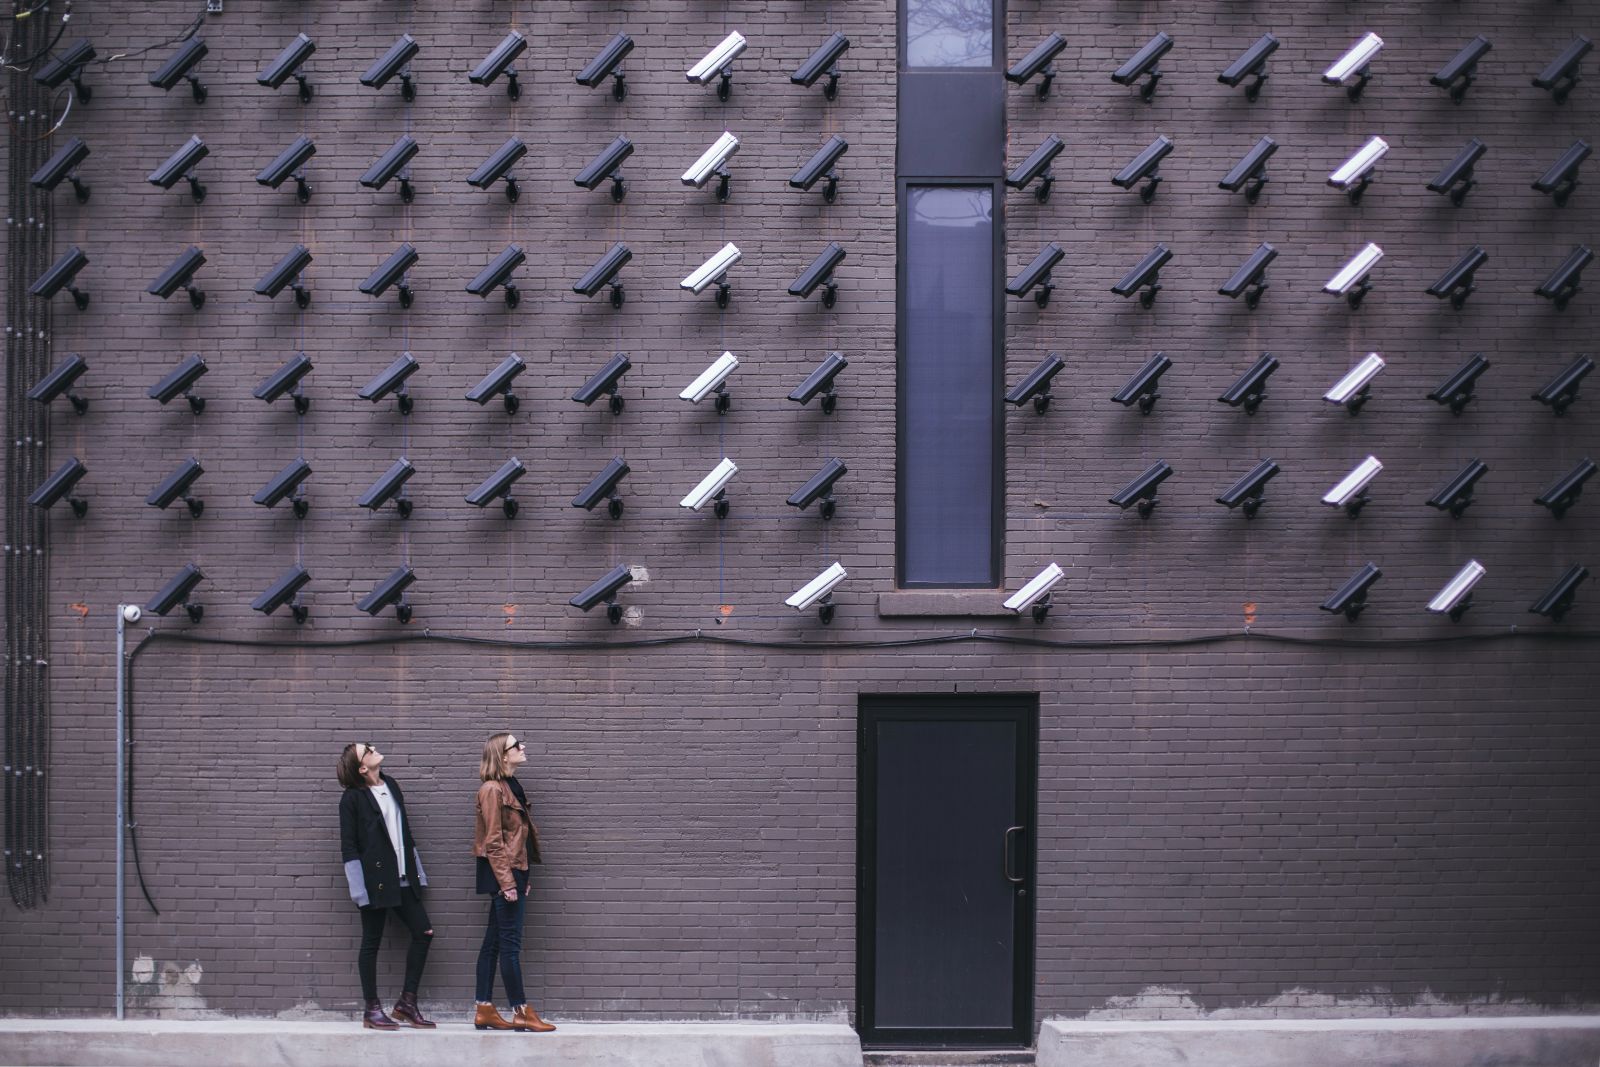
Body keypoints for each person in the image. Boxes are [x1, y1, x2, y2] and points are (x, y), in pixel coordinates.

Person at [336, 741, 436, 1030]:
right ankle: (372, 1009)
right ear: (362, 767)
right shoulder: (352, 799)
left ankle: (407, 1003)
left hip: (404, 878)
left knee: (424, 932)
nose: (373, 748)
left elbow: (405, 832)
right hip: (374, 882)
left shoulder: (391, 785)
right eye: (367, 749)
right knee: (371, 942)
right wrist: (359, 890)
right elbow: (349, 847)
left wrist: (418, 872)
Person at [472, 731, 556, 1033]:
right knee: (510, 945)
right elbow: (493, 841)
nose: (523, 746)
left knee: (493, 943)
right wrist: (509, 882)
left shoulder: (510, 785)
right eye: (516, 745)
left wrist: (523, 875)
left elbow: (517, 839)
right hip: (502, 874)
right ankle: (521, 1010)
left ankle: (483, 1008)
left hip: (512, 872)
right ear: (502, 755)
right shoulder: (492, 790)